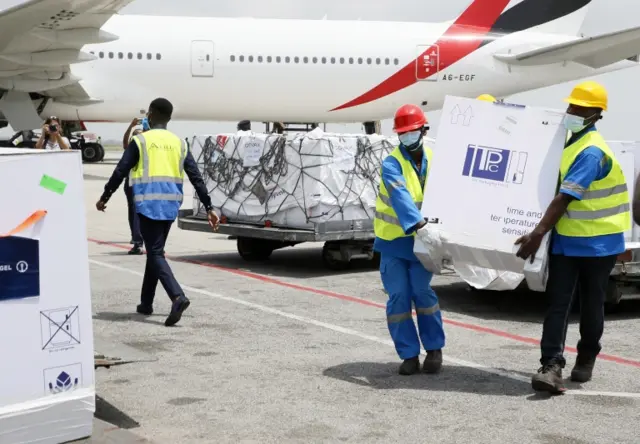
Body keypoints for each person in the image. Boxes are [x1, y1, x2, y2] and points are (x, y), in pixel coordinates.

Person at [515, 80, 631, 394]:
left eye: (578, 109)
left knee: (592, 302)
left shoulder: (592, 152)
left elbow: (564, 198)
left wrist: (537, 235)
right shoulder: (567, 142)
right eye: (571, 106)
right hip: (567, 239)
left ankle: (587, 357)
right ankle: (551, 365)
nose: (571, 112)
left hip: (598, 242)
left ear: (595, 115)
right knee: (558, 302)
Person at [96, 98, 220, 327]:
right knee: (155, 251)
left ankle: (177, 296)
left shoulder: (141, 140)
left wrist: (105, 196)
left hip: (147, 205)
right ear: (169, 118)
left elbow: (121, 170)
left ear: (150, 114)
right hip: (170, 206)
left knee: (155, 253)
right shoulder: (179, 143)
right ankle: (146, 303)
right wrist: (209, 207)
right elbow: (196, 177)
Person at [373, 104, 446, 376]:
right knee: (399, 297)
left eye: (411, 131)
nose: (406, 137)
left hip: (422, 243)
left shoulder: (435, 158)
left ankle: (435, 349)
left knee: (421, 292)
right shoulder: (392, 163)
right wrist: (420, 225)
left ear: (423, 130)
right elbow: (399, 195)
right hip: (394, 242)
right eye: (402, 133)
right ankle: (409, 354)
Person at [122, 118, 144, 255]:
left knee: (138, 212)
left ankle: (138, 240)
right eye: (136, 135)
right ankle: (136, 239)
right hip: (130, 183)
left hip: (142, 184)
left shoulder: (147, 148)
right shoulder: (130, 148)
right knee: (133, 212)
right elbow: (125, 141)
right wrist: (131, 126)